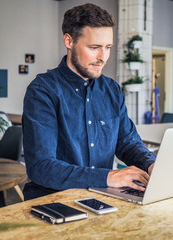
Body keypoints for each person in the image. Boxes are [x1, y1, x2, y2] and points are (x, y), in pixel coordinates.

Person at [22, 3, 155, 200]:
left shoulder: (112, 90)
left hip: (100, 198)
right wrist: (107, 177)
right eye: (94, 48)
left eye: (108, 47)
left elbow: (127, 143)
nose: (103, 57)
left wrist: (152, 166)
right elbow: (41, 167)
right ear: (69, 41)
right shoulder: (43, 91)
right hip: (53, 201)